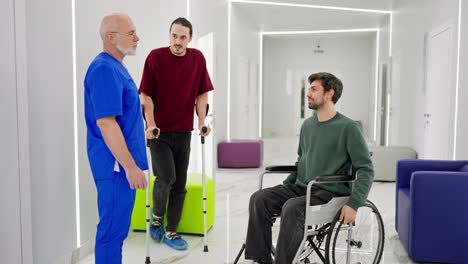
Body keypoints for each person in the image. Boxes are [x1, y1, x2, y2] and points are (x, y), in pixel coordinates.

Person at [244, 72, 374, 264]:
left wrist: (354, 203)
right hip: (303, 187)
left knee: (292, 208)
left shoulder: (348, 127)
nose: (308, 93)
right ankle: (261, 259)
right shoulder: (308, 125)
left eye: (314, 89)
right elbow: (302, 160)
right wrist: (285, 187)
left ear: (329, 94)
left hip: (328, 192)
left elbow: (366, 168)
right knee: (259, 199)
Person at [139, 17, 214, 251]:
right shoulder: (155, 57)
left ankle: (172, 231)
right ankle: (158, 218)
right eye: (174, 35)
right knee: (167, 178)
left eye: (183, 37)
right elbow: (146, 95)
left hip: (183, 132)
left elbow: (202, 94)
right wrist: (150, 124)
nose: (177, 41)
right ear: (169, 35)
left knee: (180, 183)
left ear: (190, 39)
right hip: (159, 133)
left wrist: (202, 122)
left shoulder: (197, 59)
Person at [84, 13, 148, 264]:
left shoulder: (115, 67)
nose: (137, 37)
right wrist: (130, 166)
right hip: (116, 167)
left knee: (118, 230)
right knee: (111, 231)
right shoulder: (104, 69)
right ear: (111, 37)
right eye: (131, 33)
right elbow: (106, 123)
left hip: (120, 165)